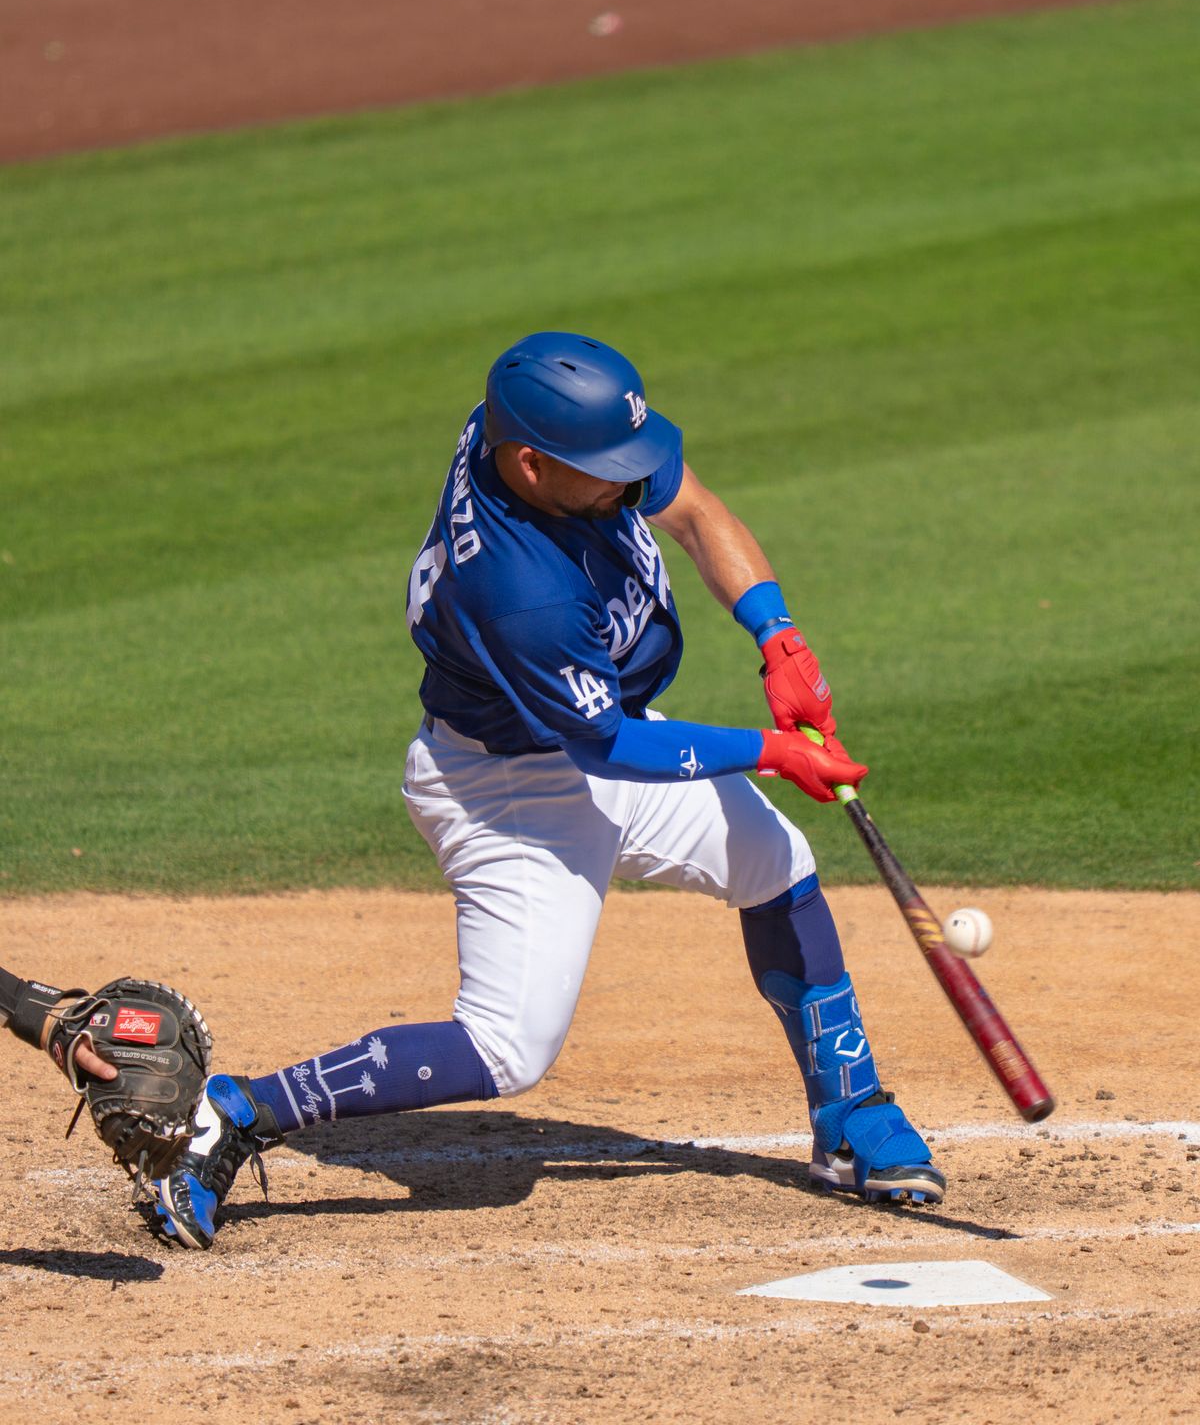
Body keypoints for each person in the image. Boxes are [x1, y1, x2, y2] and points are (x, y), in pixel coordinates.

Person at [151, 331, 944, 1249]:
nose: (628, 485)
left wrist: (778, 636)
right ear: (530, 465)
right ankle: (239, 1112)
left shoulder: (540, 436)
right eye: (606, 471)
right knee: (507, 1047)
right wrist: (772, 750)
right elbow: (604, 746)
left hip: (591, 735)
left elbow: (690, 507)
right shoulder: (518, 586)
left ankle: (849, 1113)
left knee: (776, 863)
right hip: (506, 787)